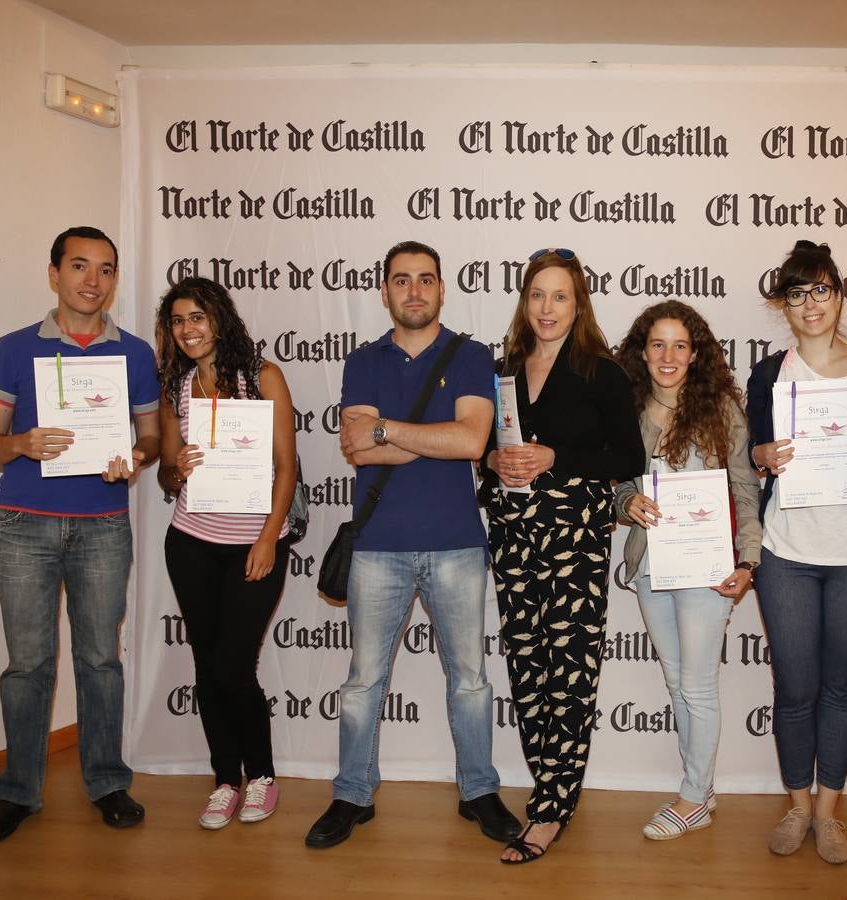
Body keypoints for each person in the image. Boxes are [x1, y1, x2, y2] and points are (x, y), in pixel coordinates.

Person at [304, 241, 520, 850]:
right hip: (378, 546)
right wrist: (432, 436)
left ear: (442, 288)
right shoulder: (364, 361)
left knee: (471, 680)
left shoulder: (472, 355)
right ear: (385, 292)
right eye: (402, 281)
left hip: (457, 543)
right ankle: (352, 794)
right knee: (362, 681)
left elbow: (473, 441)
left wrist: (390, 430)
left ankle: (478, 790)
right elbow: (356, 448)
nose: (415, 291)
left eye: (426, 280)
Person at [0, 226, 160, 845]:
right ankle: (18, 793)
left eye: (105, 270)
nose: (92, 281)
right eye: (79, 267)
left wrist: (134, 454)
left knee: (100, 660)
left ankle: (107, 782)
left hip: (104, 525)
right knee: (28, 664)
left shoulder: (134, 353)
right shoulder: (12, 348)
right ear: (53, 273)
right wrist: (20, 444)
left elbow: (153, 436)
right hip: (24, 525)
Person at [482, 248, 645, 863]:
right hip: (514, 538)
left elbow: (628, 459)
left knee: (570, 673)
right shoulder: (503, 370)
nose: (547, 308)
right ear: (524, 303)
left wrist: (557, 458)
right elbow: (487, 450)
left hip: (574, 541)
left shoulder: (600, 372)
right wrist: (492, 462)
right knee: (528, 670)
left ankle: (551, 808)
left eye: (560, 297)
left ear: (578, 305)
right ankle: (547, 787)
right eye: (537, 296)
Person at [746, 240, 847, 865]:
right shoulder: (768, 374)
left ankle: (828, 812)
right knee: (795, 686)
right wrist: (763, 455)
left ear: (840, 295)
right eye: (797, 293)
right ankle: (798, 804)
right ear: (783, 304)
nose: (810, 304)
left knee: (842, 687)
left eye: (821, 290)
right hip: (789, 551)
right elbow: (753, 451)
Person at [613, 300, 761, 841]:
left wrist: (750, 559)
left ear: (695, 354)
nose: (668, 355)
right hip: (651, 564)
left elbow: (745, 488)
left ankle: (693, 797)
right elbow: (614, 488)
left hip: (707, 568)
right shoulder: (626, 408)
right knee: (677, 679)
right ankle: (700, 785)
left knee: (697, 685)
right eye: (658, 345)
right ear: (643, 352)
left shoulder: (721, 410)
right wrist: (625, 503)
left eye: (679, 345)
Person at [154, 277, 297, 829]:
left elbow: (287, 466)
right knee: (206, 666)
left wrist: (267, 537)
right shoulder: (177, 387)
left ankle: (260, 775)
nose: (188, 330)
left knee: (235, 667)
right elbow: (168, 471)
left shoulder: (262, 378)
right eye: (178, 321)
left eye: (198, 317)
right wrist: (177, 467)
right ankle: (224, 780)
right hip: (189, 542)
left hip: (253, 545)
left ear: (220, 319)